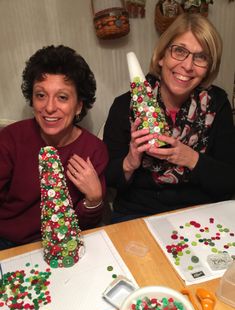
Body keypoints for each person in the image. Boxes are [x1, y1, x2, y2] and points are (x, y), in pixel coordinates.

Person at [103, 13, 235, 223]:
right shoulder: (124, 106)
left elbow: (229, 181)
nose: (188, 65)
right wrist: (130, 162)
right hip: (138, 214)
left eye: (201, 57)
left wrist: (191, 159)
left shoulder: (217, 105)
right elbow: (108, 179)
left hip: (199, 214)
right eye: (180, 51)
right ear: (162, 56)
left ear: (208, 67)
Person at [0, 45, 108, 249]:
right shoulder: (10, 139)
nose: (49, 107)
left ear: (78, 106)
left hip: (64, 245)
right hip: (8, 243)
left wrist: (93, 199)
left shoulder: (94, 150)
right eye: (41, 95)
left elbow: (84, 227)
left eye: (62, 97)